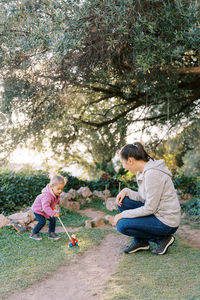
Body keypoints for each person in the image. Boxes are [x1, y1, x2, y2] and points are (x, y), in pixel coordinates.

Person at [113, 142, 181, 255]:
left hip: (166, 221)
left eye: (123, 162)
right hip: (156, 213)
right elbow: (143, 198)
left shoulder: (152, 174)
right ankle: (141, 242)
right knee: (123, 202)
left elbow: (150, 208)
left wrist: (122, 215)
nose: (124, 166)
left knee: (122, 225)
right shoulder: (142, 172)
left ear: (130, 160)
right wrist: (126, 191)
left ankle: (162, 239)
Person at [30, 175, 67, 241]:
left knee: (52, 219)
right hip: (38, 210)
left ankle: (51, 233)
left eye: (62, 189)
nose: (60, 191)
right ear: (52, 187)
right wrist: (53, 213)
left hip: (45, 210)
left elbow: (55, 199)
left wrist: (57, 202)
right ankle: (34, 233)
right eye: (58, 189)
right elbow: (45, 207)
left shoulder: (55, 193)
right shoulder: (47, 196)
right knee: (42, 221)